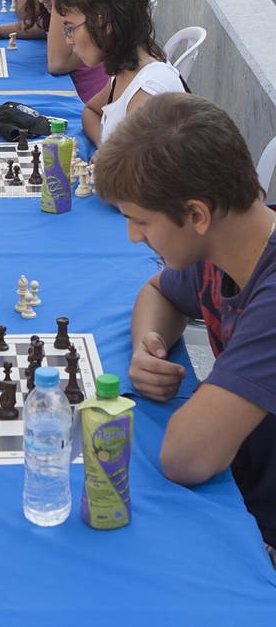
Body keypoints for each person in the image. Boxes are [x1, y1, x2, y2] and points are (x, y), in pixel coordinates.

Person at [94, 92, 276, 565]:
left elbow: (186, 457)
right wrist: (147, 345)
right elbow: (158, 292)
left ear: (196, 215)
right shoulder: (228, 243)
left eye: (141, 221)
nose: (133, 237)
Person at [55, 0, 184, 147]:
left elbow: (137, 174)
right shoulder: (125, 73)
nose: (68, 39)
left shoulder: (146, 93)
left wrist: (110, 159)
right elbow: (91, 111)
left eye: (70, 27)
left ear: (102, 22)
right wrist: (105, 148)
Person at [27, 0, 109, 102]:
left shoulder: (92, 21)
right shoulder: (64, 13)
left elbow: (57, 64)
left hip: (87, 101)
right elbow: (32, 23)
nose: (42, 0)